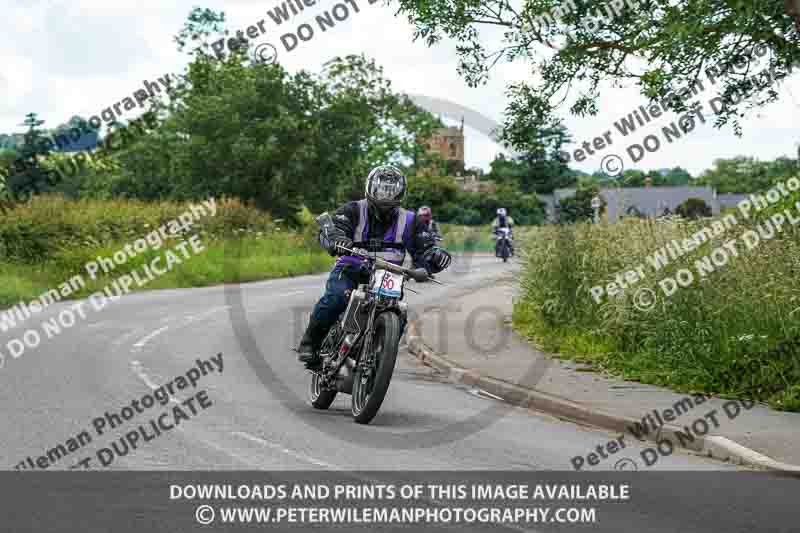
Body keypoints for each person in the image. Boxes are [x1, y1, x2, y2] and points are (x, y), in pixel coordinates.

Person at [295, 165, 453, 368]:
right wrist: (338, 239)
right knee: (336, 298)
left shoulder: (411, 221)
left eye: (391, 190)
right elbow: (335, 228)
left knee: (397, 313)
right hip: (350, 270)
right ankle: (310, 344)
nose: (385, 195)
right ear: (370, 188)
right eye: (381, 189)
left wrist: (435, 257)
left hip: (388, 275)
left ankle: (378, 360)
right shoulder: (353, 210)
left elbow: (425, 247)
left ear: (400, 193)